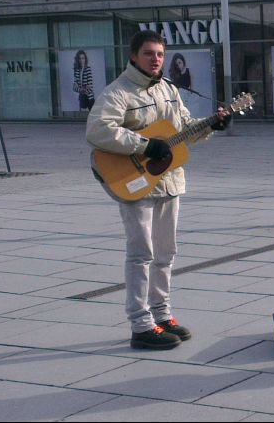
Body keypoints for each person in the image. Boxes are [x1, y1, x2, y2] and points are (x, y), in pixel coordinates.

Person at [85, 30, 230, 350]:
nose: (156, 59)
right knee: (141, 254)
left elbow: (182, 133)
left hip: (169, 181)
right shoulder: (118, 92)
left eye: (160, 54)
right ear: (134, 56)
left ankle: (162, 315)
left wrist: (211, 125)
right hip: (134, 183)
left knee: (165, 253)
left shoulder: (168, 89)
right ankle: (140, 323)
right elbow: (98, 130)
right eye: (149, 53)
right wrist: (145, 144)